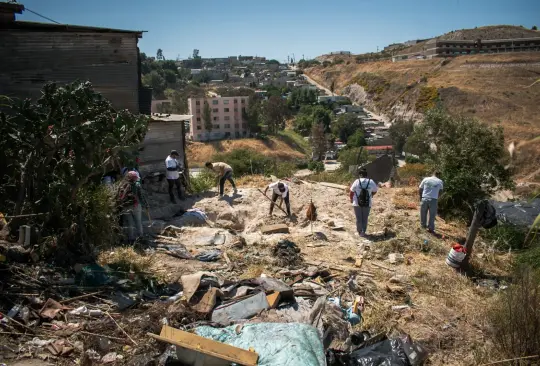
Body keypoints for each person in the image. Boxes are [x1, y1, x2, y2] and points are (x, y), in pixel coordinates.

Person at [117, 171, 148, 244]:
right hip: (135, 206)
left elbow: (119, 197)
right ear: (134, 178)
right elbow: (141, 196)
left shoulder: (122, 184)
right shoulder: (137, 184)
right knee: (138, 222)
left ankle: (131, 239)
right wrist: (146, 205)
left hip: (125, 207)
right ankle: (140, 238)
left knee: (129, 223)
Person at [349, 168, 378, 237]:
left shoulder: (356, 181)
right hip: (368, 202)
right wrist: (371, 195)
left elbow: (351, 191)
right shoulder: (371, 181)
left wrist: (351, 199)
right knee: (365, 218)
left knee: (359, 218)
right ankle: (363, 232)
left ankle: (359, 231)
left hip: (357, 203)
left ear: (360, 175)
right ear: (366, 175)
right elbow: (375, 190)